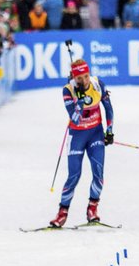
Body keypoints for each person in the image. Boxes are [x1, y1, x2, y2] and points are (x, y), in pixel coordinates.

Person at [49, 59, 114, 228]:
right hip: (77, 136)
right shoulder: (67, 90)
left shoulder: (98, 84)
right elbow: (75, 119)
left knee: (98, 174)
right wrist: (79, 102)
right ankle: (62, 213)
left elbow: (109, 108)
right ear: (73, 78)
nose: (84, 81)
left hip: (95, 134)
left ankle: (93, 209)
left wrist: (109, 131)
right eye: (79, 78)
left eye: (85, 76)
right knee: (74, 176)